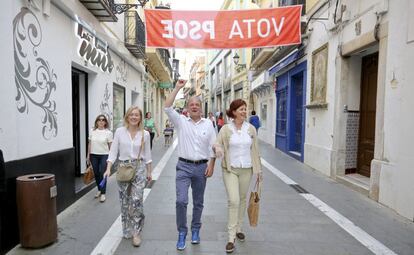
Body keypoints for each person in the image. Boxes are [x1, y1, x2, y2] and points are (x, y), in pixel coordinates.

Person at [164, 79, 216, 250]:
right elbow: (167, 107)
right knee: (181, 201)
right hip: (183, 167)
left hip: (201, 167)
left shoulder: (209, 124)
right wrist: (178, 87)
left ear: (201, 107)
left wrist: (212, 164)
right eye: (191, 104)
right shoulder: (181, 121)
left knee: (199, 202)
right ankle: (181, 232)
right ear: (187, 108)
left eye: (197, 104)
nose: (194, 106)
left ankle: (195, 230)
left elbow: (213, 146)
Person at [214, 99, 263, 253]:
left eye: (245, 109)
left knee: (242, 199)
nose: (244, 111)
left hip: (247, 169)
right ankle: (230, 237)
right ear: (234, 111)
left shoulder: (251, 129)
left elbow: (255, 150)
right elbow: (217, 143)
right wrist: (218, 149)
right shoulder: (226, 129)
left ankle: (239, 227)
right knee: (234, 200)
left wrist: (259, 170)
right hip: (230, 169)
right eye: (241, 109)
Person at [103, 106, 152, 247]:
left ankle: (136, 232)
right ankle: (127, 227)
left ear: (140, 118)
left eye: (137, 115)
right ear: (127, 116)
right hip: (123, 168)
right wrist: (108, 169)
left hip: (139, 168)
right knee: (125, 201)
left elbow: (148, 155)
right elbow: (113, 152)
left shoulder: (145, 134)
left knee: (136, 200)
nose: (134, 117)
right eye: (131, 114)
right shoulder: (119, 132)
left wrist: (149, 172)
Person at [87, 114, 113, 202]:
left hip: (104, 155)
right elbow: (90, 144)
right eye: (99, 120)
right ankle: (99, 189)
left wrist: (111, 158)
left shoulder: (108, 133)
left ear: (105, 122)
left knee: (102, 173)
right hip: (93, 155)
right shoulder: (92, 131)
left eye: (103, 120)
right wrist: (88, 155)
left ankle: (103, 193)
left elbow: (110, 146)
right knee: (96, 173)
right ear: (96, 122)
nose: (101, 121)